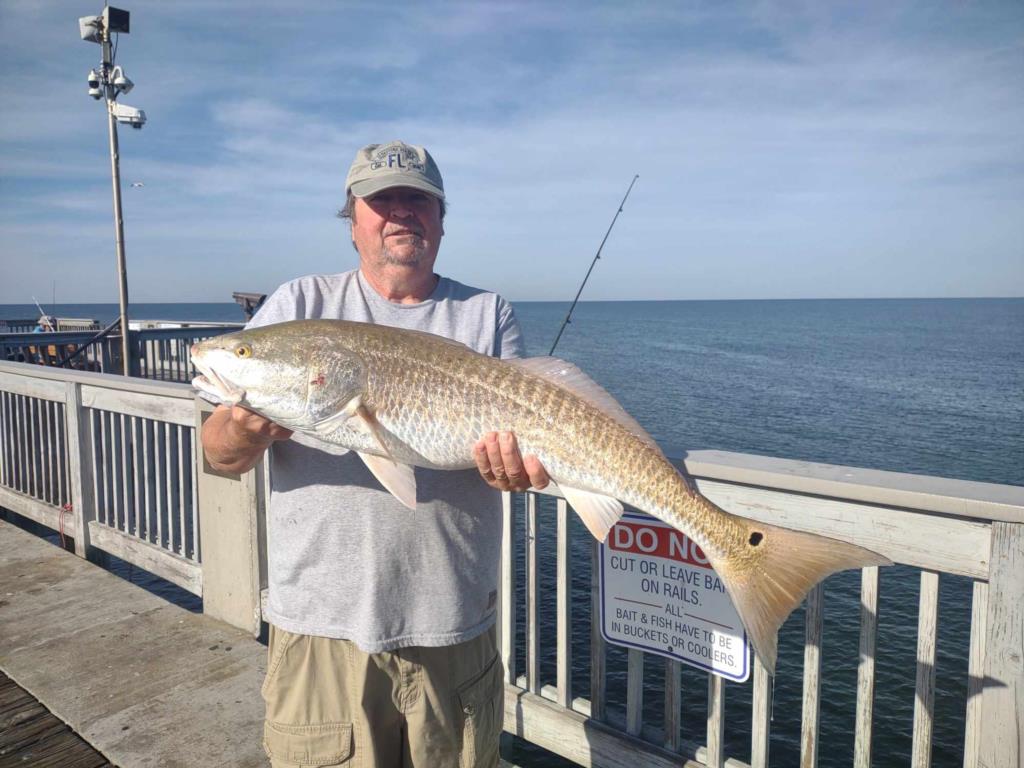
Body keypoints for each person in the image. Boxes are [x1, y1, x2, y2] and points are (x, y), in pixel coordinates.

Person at [200, 140, 550, 768]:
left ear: (440, 219)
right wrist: (242, 432)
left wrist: (518, 471)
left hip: (453, 624)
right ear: (352, 219)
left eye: (417, 200)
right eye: (380, 201)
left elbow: (521, 452)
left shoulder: (486, 314)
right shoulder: (299, 306)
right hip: (319, 628)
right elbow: (219, 455)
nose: (400, 214)